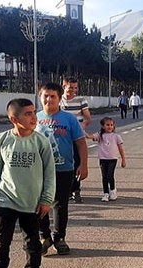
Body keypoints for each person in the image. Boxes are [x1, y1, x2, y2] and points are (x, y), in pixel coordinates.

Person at [0, 98, 55, 268]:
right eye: (28, 113)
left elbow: (50, 173)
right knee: (0, 242)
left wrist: (46, 199)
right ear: (14, 118)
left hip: (32, 203)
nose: (33, 117)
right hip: (6, 200)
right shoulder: (2, 140)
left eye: (34, 112)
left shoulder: (41, 142)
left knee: (32, 243)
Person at [36, 83, 88, 255]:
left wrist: (83, 164)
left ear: (59, 99)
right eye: (46, 95)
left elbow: (81, 142)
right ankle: (45, 237)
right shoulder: (34, 118)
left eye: (53, 96)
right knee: (39, 204)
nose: (49, 99)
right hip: (40, 170)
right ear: (40, 97)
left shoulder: (69, 119)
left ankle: (59, 238)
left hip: (64, 169)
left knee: (60, 205)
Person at [60, 78, 92, 204]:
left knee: (77, 162)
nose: (73, 90)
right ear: (64, 86)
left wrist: (81, 127)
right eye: (70, 87)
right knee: (62, 163)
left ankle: (76, 189)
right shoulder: (58, 100)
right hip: (61, 137)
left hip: (76, 136)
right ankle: (65, 191)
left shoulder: (80, 100)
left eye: (75, 88)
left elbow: (88, 118)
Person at [85, 117, 126, 202]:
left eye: (111, 125)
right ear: (103, 126)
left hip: (112, 159)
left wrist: (123, 159)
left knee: (110, 175)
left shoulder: (116, 136)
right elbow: (89, 136)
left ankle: (113, 191)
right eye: (107, 125)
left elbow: (121, 149)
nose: (110, 127)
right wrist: (82, 130)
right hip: (103, 159)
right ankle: (106, 193)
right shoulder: (100, 135)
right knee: (104, 176)